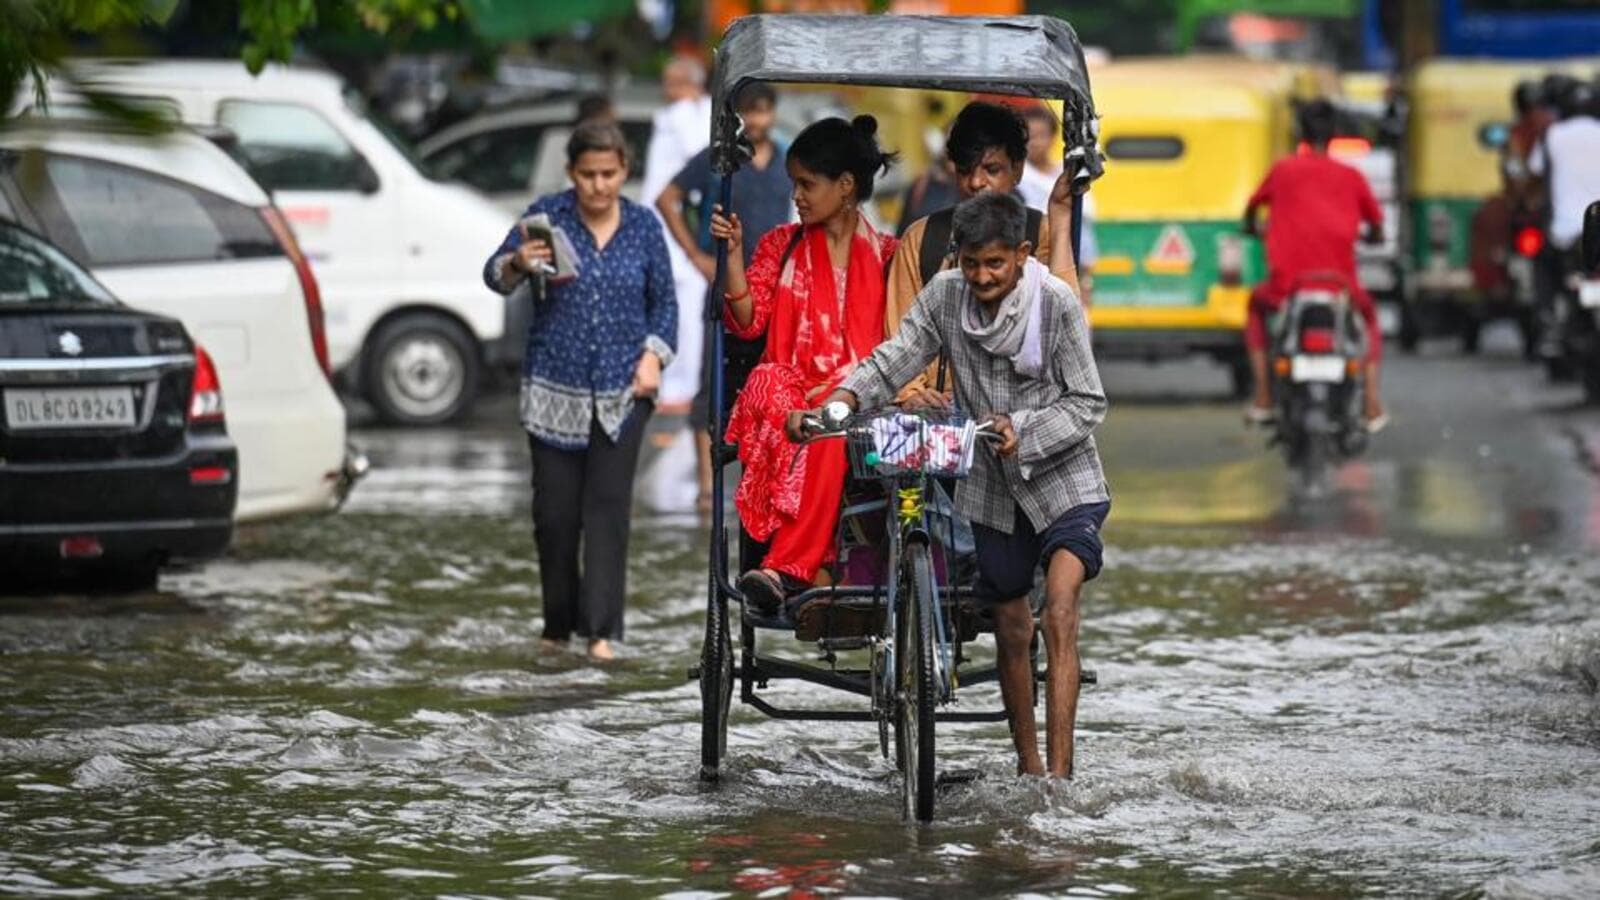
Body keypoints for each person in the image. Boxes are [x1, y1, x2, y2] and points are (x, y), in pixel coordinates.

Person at [795, 192, 1110, 780]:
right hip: (991, 487)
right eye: (971, 264)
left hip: (1064, 479)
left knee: (1060, 608)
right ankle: (1030, 769)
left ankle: (1062, 780)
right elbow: (896, 356)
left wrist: (1026, 430)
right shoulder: (944, 296)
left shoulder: (1056, 305)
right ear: (958, 260)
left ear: (1020, 255)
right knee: (1012, 626)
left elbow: (1089, 403)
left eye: (995, 264)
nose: (983, 277)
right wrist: (843, 397)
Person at [481, 120, 677, 662]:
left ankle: (601, 633)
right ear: (572, 173)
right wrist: (519, 263)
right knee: (555, 517)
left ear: (625, 172)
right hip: (553, 392)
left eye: (608, 174)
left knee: (607, 511)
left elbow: (664, 304)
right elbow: (494, 276)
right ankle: (557, 626)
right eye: (588, 175)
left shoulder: (643, 227)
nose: (598, 185)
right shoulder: (546, 219)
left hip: (623, 391)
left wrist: (653, 357)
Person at [709, 115, 898, 612]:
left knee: (833, 428)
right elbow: (749, 325)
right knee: (775, 387)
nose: (797, 195)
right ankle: (805, 562)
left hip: (858, 400)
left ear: (846, 186)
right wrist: (732, 257)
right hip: (789, 397)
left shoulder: (889, 256)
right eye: (795, 184)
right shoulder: (779, 244)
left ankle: (788, 567)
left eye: (807, 184)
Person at [888, 101, 1081, 408]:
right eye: (965, 171)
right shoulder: (923, 238)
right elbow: (900, 332)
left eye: (992, 170)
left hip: (1021, 410)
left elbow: (1065, 323)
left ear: (1017, 169)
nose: (976, 183)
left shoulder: (1041, 232)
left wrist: (1060, 217)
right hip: (941, 416)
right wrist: (912, 393)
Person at [656, 82, 794, 512]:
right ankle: (706, 486)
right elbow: (668, 197)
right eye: (749, 112)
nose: (757, 121)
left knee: (771, 386)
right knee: (713, 386)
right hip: (723, 286)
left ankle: (767, 484)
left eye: (763, 111)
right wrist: (697, 256)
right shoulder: (719, 160)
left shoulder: (788, 158)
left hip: (770, 289)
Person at [1243, 98, 1386, 430]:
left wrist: (1254, 226)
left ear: (1300, 133)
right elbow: (1376, 226)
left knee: (1254, 308)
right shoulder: (1351, 176)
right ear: (1334, 134)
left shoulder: (1282, 170)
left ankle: (1264, 397)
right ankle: (1371, 403)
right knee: (1370, 319)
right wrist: (1372, 237)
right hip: (1340, 287)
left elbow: (1251, 209)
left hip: (1286, 288)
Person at [641, 54, 715, 408]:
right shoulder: (694, 113)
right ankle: (675, 383)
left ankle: (679, 387)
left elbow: (697, 155)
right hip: (670, 218)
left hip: (675, 221)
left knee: (682, 305)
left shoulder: (684, 116)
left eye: (672, 81)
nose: (666, 89)